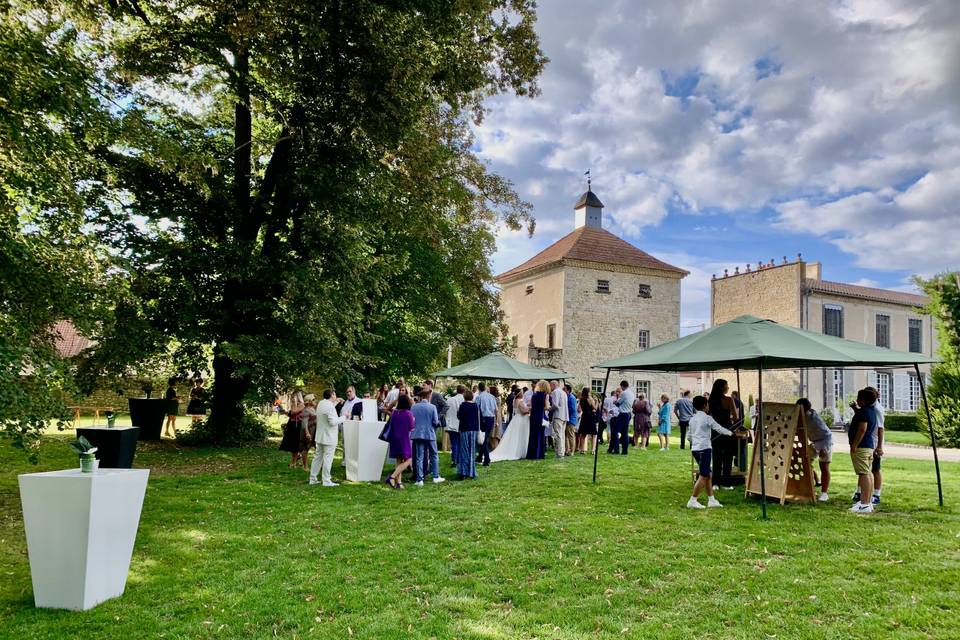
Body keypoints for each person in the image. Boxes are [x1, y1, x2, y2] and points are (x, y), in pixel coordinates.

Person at [685, 395, 733, 509]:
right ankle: (692, 500)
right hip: (704, 449)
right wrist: (731, 433)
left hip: (695, 450)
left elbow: (689, 437)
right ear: (705, 405)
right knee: (703, 475)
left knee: (708, 474)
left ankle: (711, 500)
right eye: (707, 404)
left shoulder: (692, 419)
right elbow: (719, 428)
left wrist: (697, 439)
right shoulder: (708, 418)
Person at [848, 388, 880, 514]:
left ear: (863, 400)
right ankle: (867, 502)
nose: (857, 400)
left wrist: (855, 444)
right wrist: (856, 409)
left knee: (863, 474)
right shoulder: (870, 411)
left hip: (862, 447)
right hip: (868, 446)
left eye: (859, 398)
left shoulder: (863, 412)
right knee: (867, 473)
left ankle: (864, 504)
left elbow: (862, 429)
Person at [797, 398, 832, 502]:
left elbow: (826, 434)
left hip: (825, 441)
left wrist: (823, 449)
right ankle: (811, 485)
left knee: (824, 466)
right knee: (805, 463)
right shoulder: (802, 415)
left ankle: (824, 493)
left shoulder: (812, 418)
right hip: (814, 442)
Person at [310, 389, 346, 486]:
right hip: (329, 437)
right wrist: (344, 417)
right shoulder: (329, 406)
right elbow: (333, 422)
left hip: (320, 436)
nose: (336, 396)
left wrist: (336, 402)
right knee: (327, 459)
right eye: (335, 394)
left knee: (317, 458)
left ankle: (312, 479)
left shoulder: (322, 403)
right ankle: (326, 480)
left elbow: (329, 410)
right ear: (332, 395)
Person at [707, 379, 738, 488]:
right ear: (722, 388)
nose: (728, 387)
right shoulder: (729, 400)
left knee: (716, 456)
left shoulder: (710, 401)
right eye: (727, 385)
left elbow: (708, 415)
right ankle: (726, 483)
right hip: (727, 430)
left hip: (715, 431)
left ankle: (715, 483)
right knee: (727, 456)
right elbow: (736, 417)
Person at [411, 389, 444, 486]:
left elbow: (412, 421)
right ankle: (436, 476)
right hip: (430, 433)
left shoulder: (414, 407)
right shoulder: (432, 407)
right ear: (429, 396)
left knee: (419, 457)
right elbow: (435, 421)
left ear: (421, 397)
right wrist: (439, 423)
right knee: (434, 455)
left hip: (417, 434)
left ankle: (419, 479)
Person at [490, 390, 530, 462]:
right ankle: (519, 451)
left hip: (517, 419)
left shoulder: (515, 400)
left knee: (516, 436)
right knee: (519, 436)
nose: (523, 393)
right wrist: (530, 408)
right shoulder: (519, 401)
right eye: (521, 392)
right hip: (520, 419)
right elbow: (523, 412)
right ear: (519, 393)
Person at [385, 394, 415, 489]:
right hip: (404, 439)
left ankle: (399, 483)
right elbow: (411, 428)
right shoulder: (408, 414)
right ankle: (392, 477)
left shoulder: (394, 413)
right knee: (409, 459)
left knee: (399, 460)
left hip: (394, 439)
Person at [863, 386, 885, 506]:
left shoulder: (877, 409)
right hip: (869, 442)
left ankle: (876, 494)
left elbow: (881, 428)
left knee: (875, 469)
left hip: (875, 442)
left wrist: (879, 446)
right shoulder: (870, 407)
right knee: (865, 468)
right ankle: (860, 491)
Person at [456, 390, 480, 479]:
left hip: (465, 429)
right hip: (473, 430)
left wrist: (458, 411)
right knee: (472, 451)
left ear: (464, 397)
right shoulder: (475, 406)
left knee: (464, 450)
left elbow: (459, 417)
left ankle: (463, 472)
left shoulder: (463, 405)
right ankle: (471, 471)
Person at [279, 390, 306, 467]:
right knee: (292, 444)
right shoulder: (295, 404)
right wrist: (285, 412)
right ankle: (295, 460)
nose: (291, 398)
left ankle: (293, 462)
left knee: (295, 444)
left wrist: (293, 404)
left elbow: (294, 411)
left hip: (298, 426)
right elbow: (291, 414)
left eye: (293, 396)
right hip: (292, 424)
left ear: (297, 397)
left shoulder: (302, 404)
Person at [526, 380, 549, 459]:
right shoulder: (545, 395)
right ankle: (539, 454)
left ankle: (531, 454)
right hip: (540, 416)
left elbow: (532, 406)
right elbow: (546, 407)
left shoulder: (534, 395)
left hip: (533, 416)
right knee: (540, 434)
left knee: (533, 435)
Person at [476, 382, 497, 466]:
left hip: (483, 419)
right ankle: (480, 456)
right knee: (485, 437)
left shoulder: (479, 397)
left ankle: (487, 458)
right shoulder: (492, 397)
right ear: (485, 388)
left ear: (479, 388)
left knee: (483, 439)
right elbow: (496, 409)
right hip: (491, 418)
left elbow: (476, 409)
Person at [610, 381, 633, 455]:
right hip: (628, 413)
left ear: (622, 386)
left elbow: (618, 403)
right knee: (624, 433)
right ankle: (625, 451)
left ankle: (616, 450)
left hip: (623, 414)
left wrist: (615, 402)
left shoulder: (624, 393)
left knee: (614, 432)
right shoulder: (631, 393)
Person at [445, 385, 465, 468]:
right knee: (460, 443)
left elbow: (446, 411)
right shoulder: (464, 400)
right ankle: (459, 459)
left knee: (454, 443)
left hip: (450, 424)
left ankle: (454, 460)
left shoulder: (449, 399)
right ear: (464, 391)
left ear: (457, 390)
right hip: (460, 424)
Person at [549, 380, 568, 458]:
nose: (550, 387)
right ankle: (562, 451)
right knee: (562, 435)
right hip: (564, 415)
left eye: (550, 385)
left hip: (558, 415)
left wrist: (549, 408)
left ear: (553, 385)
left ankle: (559, 453)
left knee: (558, 435)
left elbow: (555, 405)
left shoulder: (555, 392)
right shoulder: (563, 392)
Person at [577, 388, 598, 454]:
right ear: (588, 392)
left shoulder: (581, 399)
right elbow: (595, 408)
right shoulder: (590, 399)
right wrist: (597, 401)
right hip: (590, 417)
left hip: (584, 416)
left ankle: (582, 449)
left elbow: (579, 409)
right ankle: (593, 450)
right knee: (594, 434)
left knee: (583, 434)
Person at [564, 383, 578, 455]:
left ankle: (571, 451)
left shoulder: (571, 398)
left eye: (564, 389)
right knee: (566, 435)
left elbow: (572, 409)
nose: (563, 390)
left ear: (568, 390)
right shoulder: (567, 397)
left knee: (570, 435)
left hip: (571, 419)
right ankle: (567, 450)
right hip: (567, 418)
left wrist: (564, 412)